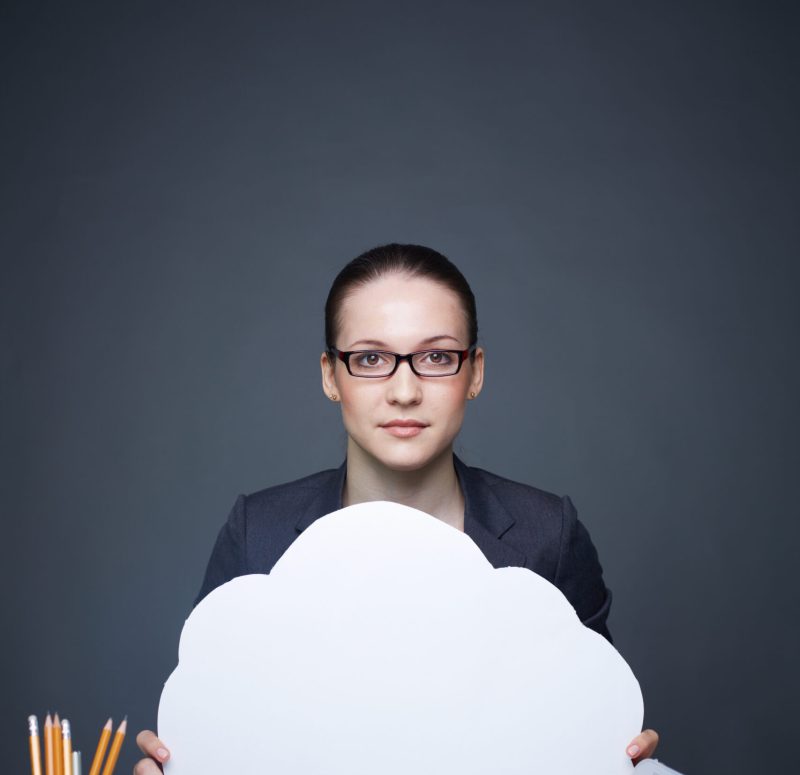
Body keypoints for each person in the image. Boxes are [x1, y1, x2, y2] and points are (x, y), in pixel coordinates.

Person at [134, 243, 659, 773]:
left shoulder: (550, 534)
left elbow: (586, 717)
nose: (404, 390)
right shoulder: (259, 533)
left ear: (474, 372)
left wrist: (616, 749)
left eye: (436, 357)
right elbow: (217, 718)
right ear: (329, 375)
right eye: (370, 359)